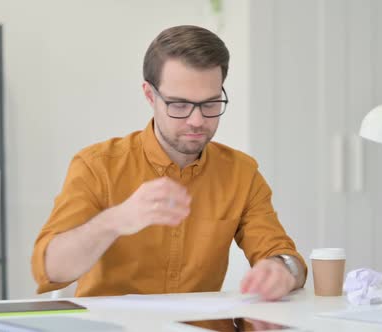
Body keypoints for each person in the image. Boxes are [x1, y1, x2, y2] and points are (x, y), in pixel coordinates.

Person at [31, 25, 307, 301]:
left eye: (210, 103)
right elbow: (50, 268)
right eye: (179, 105)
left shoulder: (241, 173)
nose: (197, 120)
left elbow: (286, 256)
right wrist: (116, 220)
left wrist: (281, 268)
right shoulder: (97, 166)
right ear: (150, 96)